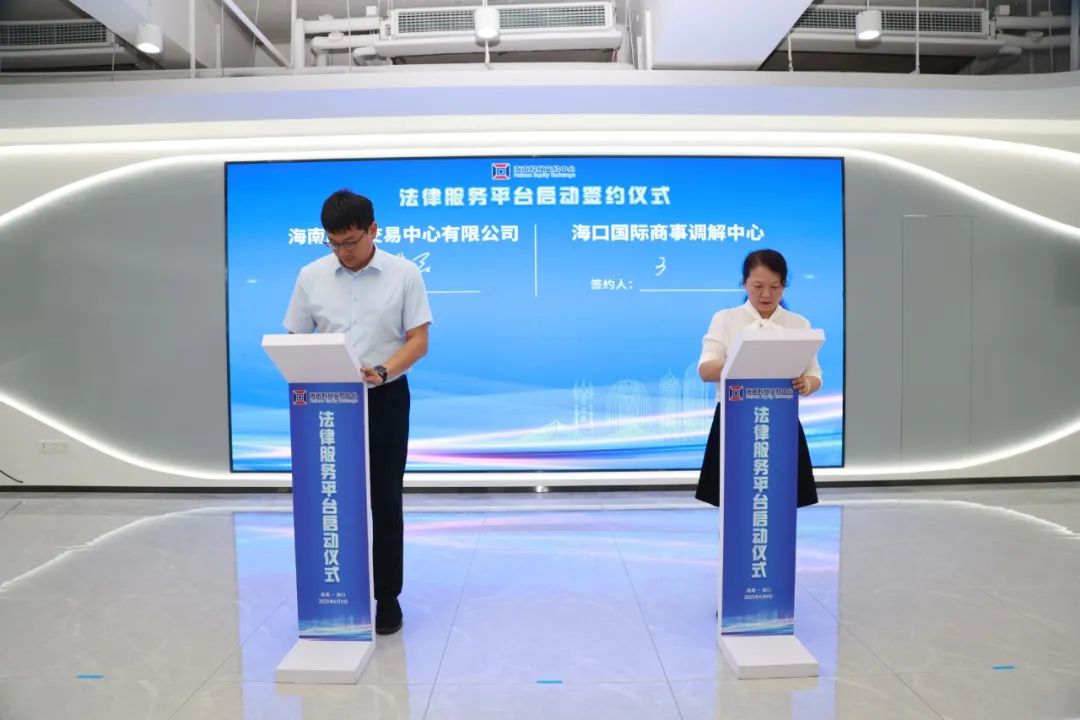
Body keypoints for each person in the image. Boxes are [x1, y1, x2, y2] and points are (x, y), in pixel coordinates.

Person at [284, 189, 432, 635]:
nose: (342, 252)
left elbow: (419, 341)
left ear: (372, 230)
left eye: (350, 242)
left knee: (384, 500)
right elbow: (295, 336)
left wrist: (383, 371)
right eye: (333, 243)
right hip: (326, 404)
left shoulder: (404, 273)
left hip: (385, 397)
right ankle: (336, 593)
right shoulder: (311, 276)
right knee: (330, 500)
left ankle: (387, 598)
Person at [695, 248, 820, 509]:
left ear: (784, 285)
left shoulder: (798, 323)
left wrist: (807, 384)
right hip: (734, 421)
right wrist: (743, 361)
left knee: (780, 498)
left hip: (781, 421)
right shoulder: (726, 319)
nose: (766, 294)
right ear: (744, 284)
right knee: (735, 500)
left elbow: (814, 375)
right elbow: (706, 370)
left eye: (775, 287)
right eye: (758, 286)